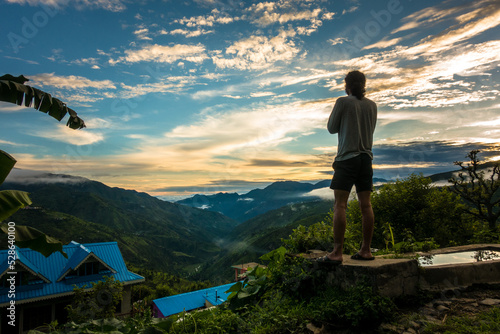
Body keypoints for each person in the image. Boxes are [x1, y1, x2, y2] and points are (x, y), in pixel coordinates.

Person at [319, 70, 377, 265]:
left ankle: (337, 252)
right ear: (364, 84)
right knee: (366, 205)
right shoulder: (372, 106)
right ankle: (366, 250)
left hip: (347, 158)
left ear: (347, 85)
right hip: (366, 159)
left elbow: (331, 128)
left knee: (340, 205)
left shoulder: (343, 102)